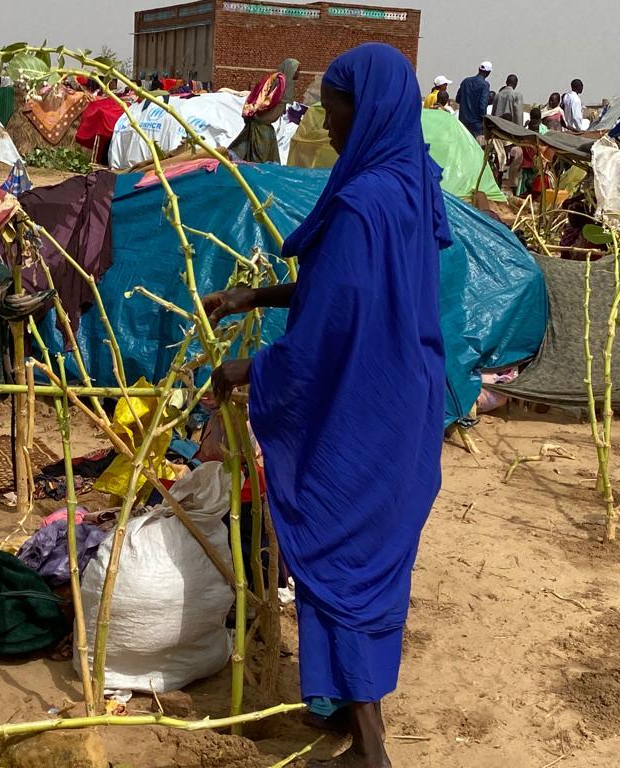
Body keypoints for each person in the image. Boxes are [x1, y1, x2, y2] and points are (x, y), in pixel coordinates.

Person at [208, 42, 448, 768]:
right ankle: (354, 730)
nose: (326, 119)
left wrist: (242, 369)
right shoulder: (410, 182)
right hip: (405, 400)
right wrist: (259, 294)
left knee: (339, 562)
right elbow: (360, 290)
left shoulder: (363, 202)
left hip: (360, 409)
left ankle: (372, 750)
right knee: (374, 566)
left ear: (365, 106)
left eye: (334, 105)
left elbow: (327, 335)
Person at [230, 57, 299, 163]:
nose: (298, 73)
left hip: (265, 127)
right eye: (297, 70)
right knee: (259, 160)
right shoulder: (278, 83)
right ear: (291, 69)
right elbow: (264, 101)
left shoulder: (286, 84)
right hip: (260, 128)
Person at [456, 62, 493, 137]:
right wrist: (483, 120)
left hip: (462, 121)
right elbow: (482, 105)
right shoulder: (484, 85)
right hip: (476, 124)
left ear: (479, 69)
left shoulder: (466, 81)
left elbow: (458, 99)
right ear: (488, 73)